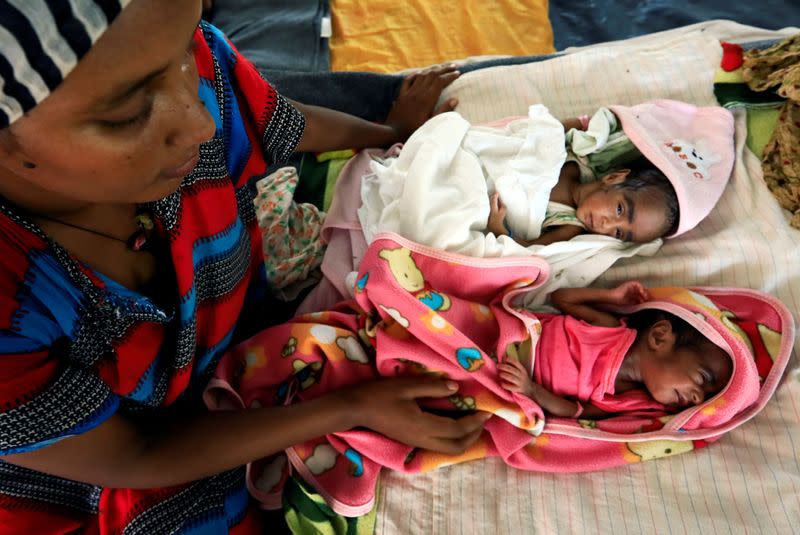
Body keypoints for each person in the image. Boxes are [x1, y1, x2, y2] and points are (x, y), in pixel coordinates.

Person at [0, 1, 487, 532]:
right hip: (101, 470)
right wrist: (352, 408)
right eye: (125, 115)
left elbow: (278, 121)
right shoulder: (12, 301)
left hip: (236, 351)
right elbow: (136, 455)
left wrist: (390, 130)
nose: (200, 120)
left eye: (187, 46)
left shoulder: (194, 77)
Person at [497, 282, 733, 419]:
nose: (698, 398)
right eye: (702, 378)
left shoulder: (630, 400)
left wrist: (532, 391)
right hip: (512, 333)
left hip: (516, 380)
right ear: (660, 337)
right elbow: (562, 299)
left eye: (706, 396)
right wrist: (610, 296)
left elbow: (575, 411)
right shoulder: (608, 329)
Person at [486, 158, 679, 245]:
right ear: (613, 178)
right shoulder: (575, 161)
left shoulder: (569, 227)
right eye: (619, 210)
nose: (607, 225)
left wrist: (499, 229)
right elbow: (548, 134)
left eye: (619, 233)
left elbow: (528, 248)